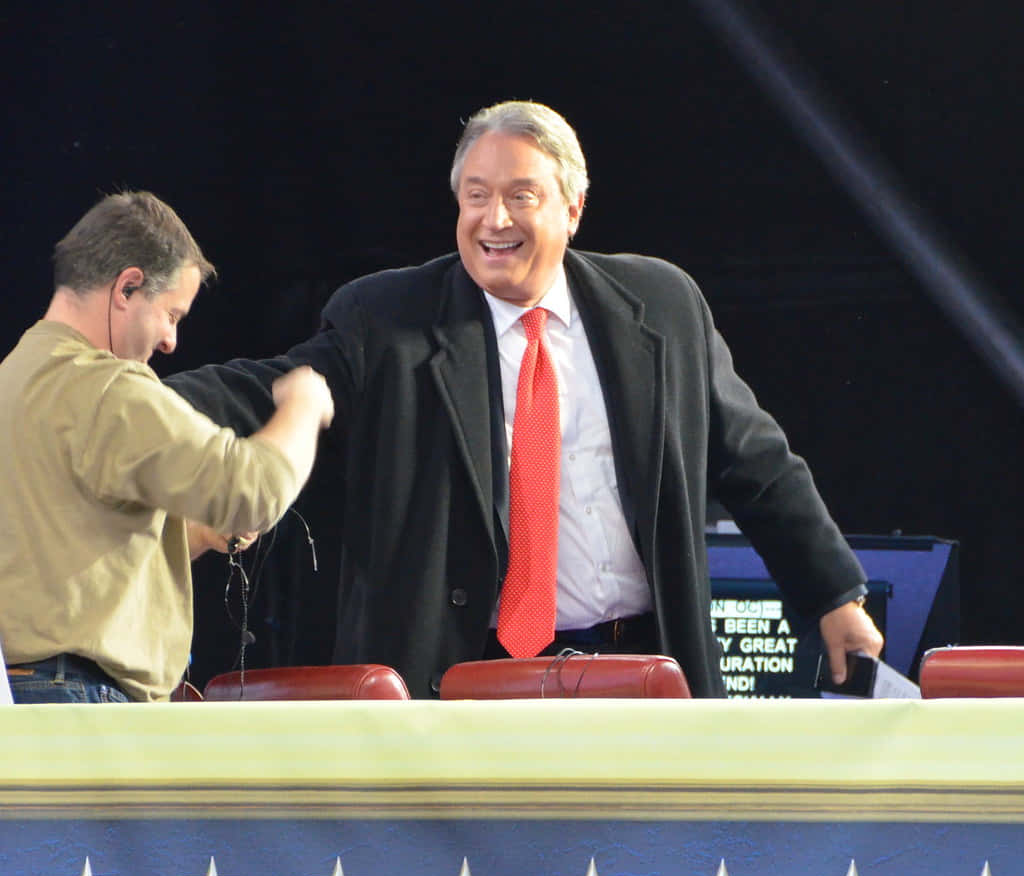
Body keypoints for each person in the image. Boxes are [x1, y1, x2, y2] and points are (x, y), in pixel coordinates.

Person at [168, 101, 882, 698]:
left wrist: (832, 597)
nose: (493, 219)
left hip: (637, 670)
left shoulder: (662, 308)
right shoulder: (389, 321)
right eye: (475, 196)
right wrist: (128, 399)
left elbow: (757, 464)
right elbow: (261, 387)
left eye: (520, 196)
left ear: (572, 207)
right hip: (459, 680)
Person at [0, 191, 334, 702]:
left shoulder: (17, 377)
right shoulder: (107, 388)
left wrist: (195, 535)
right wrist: (304, 405)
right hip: (81, 700)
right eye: (172, 314)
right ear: (127, 288)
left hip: (24, 695)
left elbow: (66, 551)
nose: (171, 342)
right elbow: (252, 491)